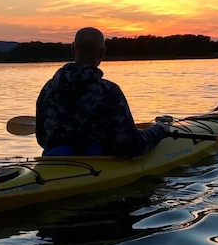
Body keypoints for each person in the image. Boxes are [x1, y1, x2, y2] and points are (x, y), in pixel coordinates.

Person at [35, 27, 171, 156]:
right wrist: (160, 130)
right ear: (102, 53)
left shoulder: (48, 88)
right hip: (94, 166)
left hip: (53, 162)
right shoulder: (109, 91)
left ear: (72, 49)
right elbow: (130, 146)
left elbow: (42, 139)